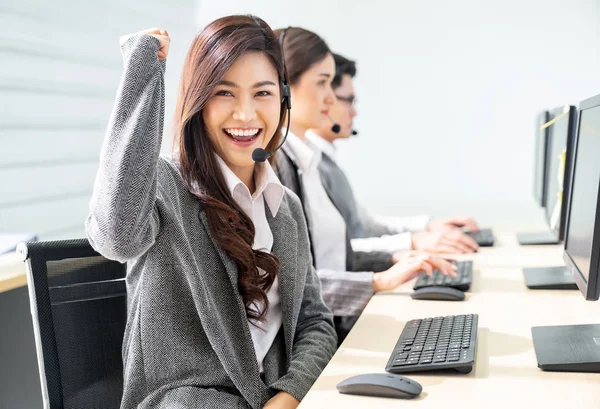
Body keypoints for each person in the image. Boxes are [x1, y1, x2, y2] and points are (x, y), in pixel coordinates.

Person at [85, 16, 336, 409]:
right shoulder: (166, 185)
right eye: (224, 93)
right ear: (199, 102)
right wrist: (143, 70)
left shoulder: (285, 206)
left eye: (263, 93)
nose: (245, 115)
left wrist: (288, 395)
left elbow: (314, 322)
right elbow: (115, 235)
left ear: (283, 100)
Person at [272, 27, 455, 342]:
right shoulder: (278, 169)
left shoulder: (307, 162)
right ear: (284, 86)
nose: (331, 98)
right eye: (322, 83)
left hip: (335, 321)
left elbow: (335, 255)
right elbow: (290, 287)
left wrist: (394, 260)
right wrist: (379, 279)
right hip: (323, 332)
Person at [308, 53, 481, 255]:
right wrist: (413, 242)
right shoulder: (309, 164)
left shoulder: (325, 160)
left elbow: (363, 226)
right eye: (349, 101)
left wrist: (426, 226)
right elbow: (329, 251)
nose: (354, 113)